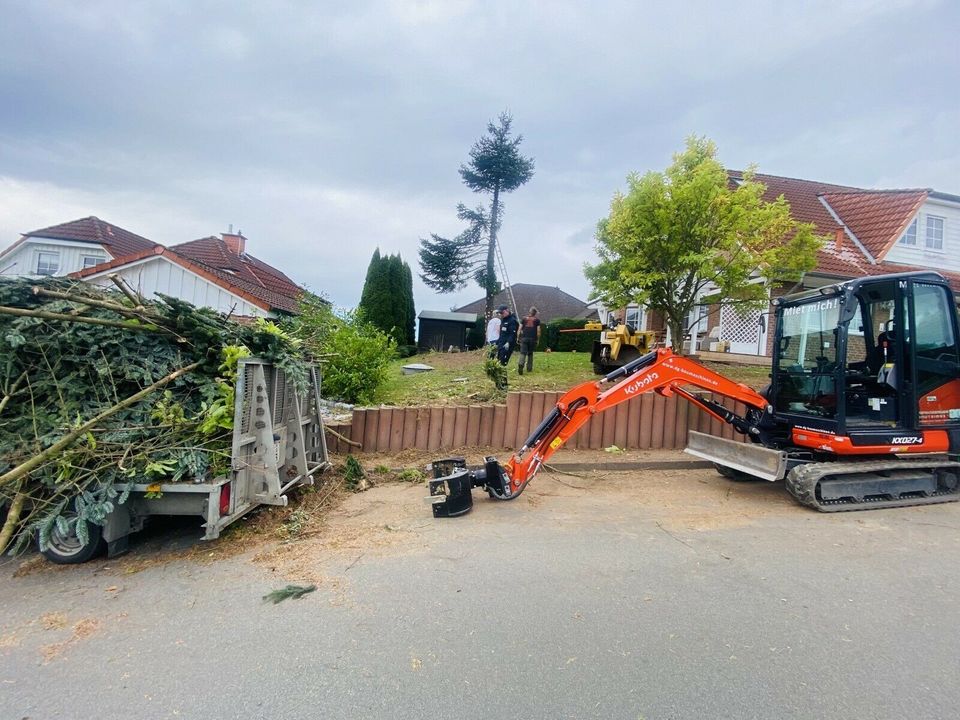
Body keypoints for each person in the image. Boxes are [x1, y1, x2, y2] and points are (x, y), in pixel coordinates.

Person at [517, 307, 541, 375]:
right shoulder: (537, 320)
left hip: (524, 338)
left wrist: (518, 337)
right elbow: (538, 331)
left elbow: (519, 329)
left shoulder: (524, 319)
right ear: (535, 313)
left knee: (523, 353)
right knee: (530, 353)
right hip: (532, 339)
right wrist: (538, 339)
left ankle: (521, 364)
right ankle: (529, 368)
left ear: (529, 312)